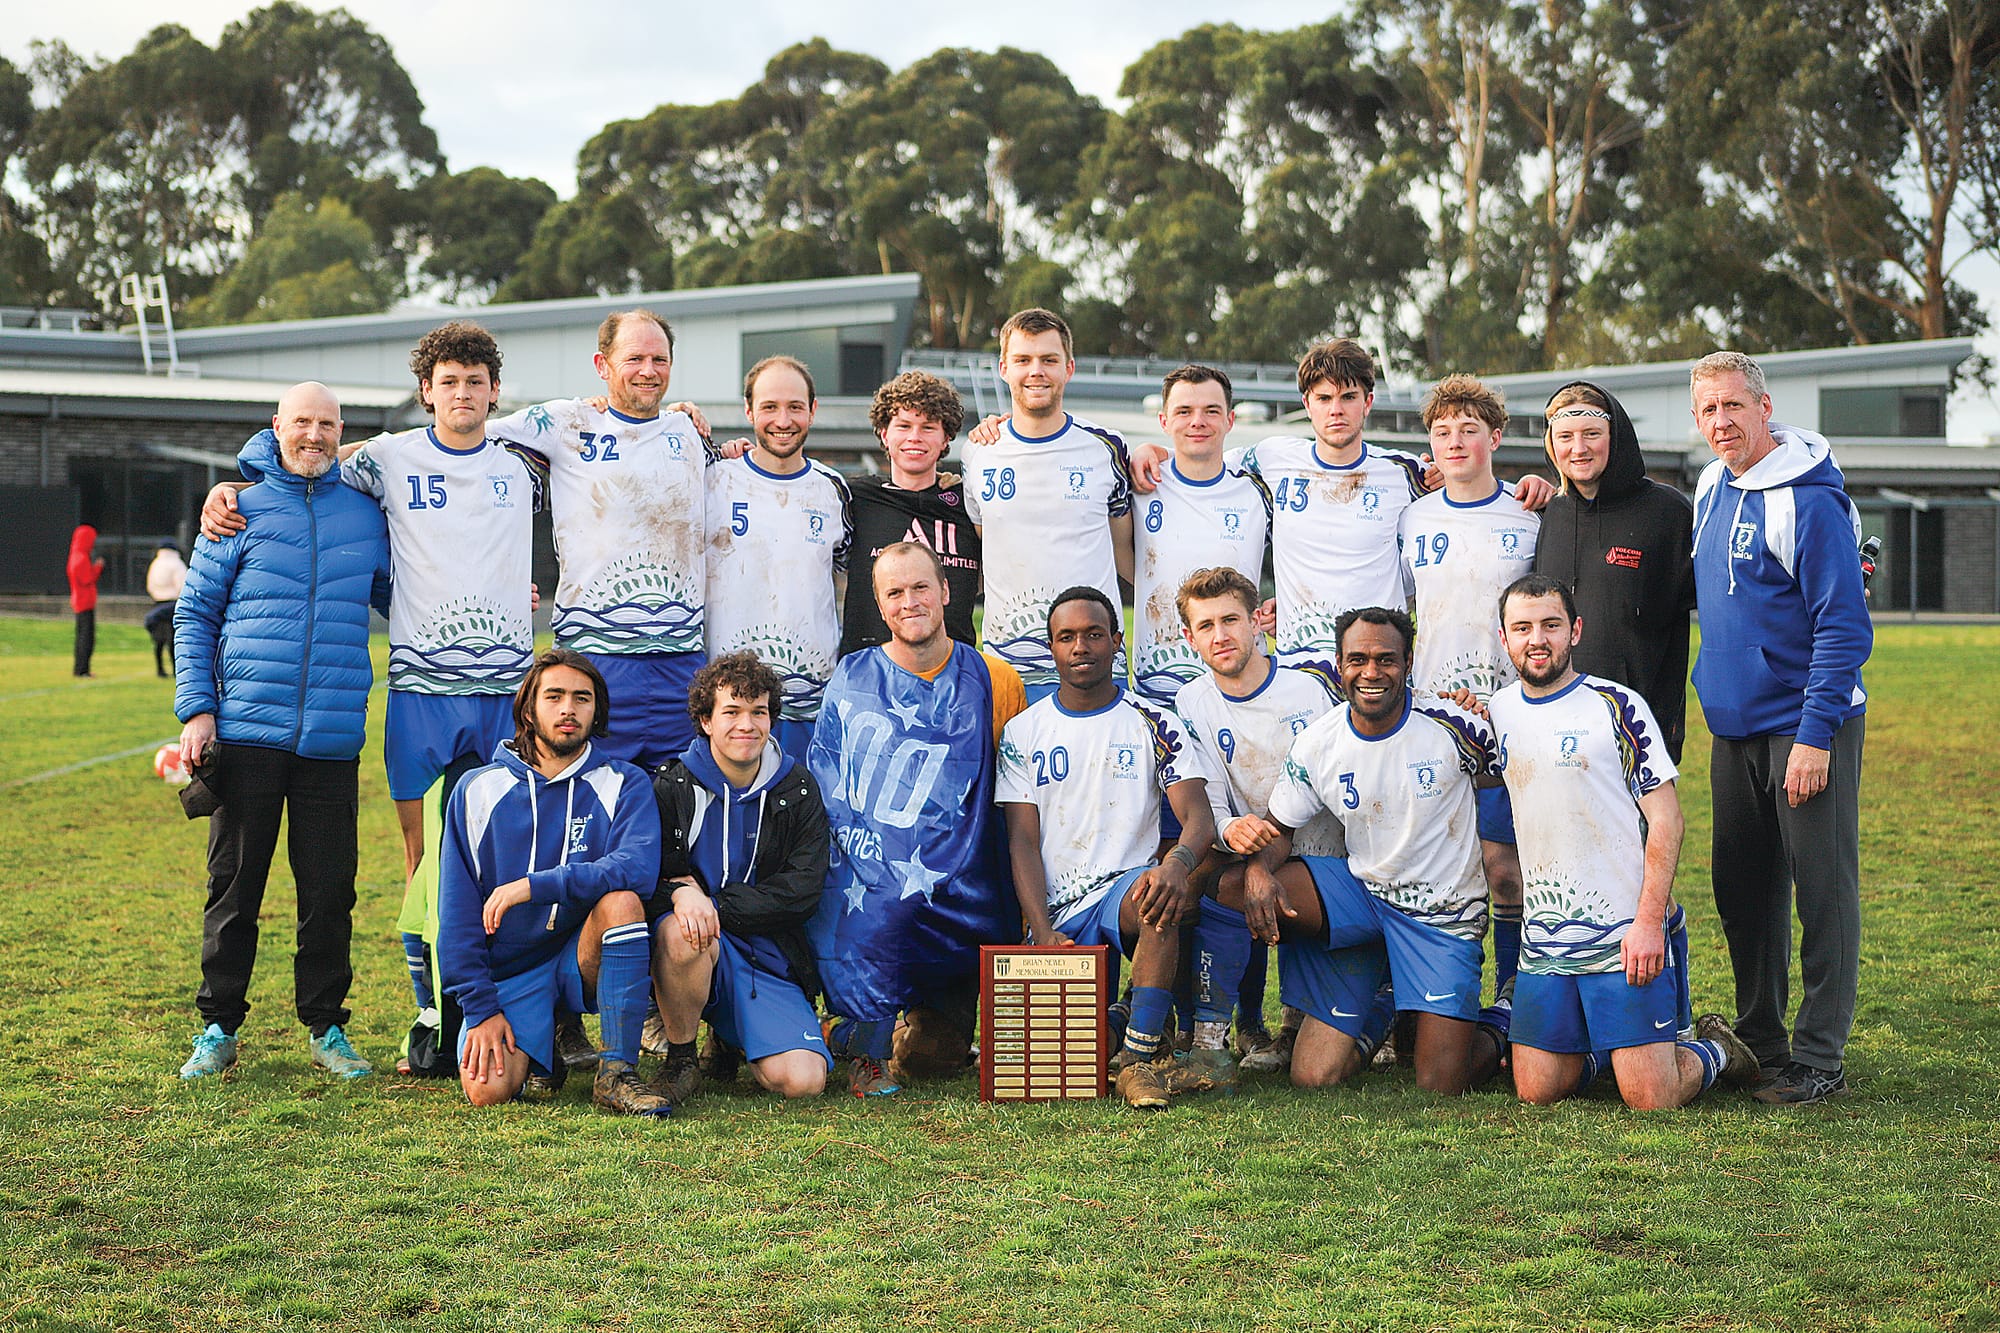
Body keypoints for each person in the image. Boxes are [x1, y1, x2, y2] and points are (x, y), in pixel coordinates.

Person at [201, 322, 545, 1052]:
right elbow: (313, 463)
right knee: (413, 867)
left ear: (492, 390)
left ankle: (504, 1010)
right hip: (393, 702)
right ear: (425, 390)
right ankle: (426, 1012)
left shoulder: (521, 459)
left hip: (470, 699)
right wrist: (234, 481)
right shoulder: (383, 460)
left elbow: (398, 578)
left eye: (474, 381)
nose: (461, 392)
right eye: (447, 380)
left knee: (498, 858)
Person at [171, 382, 390, 1080]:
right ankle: (218, 1026)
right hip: (246, 734)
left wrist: (509, 594)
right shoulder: (237, 511)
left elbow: (413, 591)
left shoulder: (366, 514)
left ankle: (327, 1027)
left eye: (327, 424)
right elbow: (194, 615)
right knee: (235, 888)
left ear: (340, 430)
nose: (315, 436)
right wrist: (198, 709)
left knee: (330, 892)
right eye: (302, 422)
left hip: (331, 740)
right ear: (277, 426)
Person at [1199, 607, 1509, 1095]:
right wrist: (1259, 871)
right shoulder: (1321, 741)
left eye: (1386, 660)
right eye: (1357, 659)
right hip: (1364, 895)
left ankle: (1503, 1020)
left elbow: (1514, 784)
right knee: (1313, 1076)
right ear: (1339, 664)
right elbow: (1279, 828)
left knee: (1439, 1083)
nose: (1371, 672)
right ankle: (1376, 1003)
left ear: (1408, 663)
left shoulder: (1456, 727)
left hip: (1439, 915)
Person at [1487, 574, 1758, 1108]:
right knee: (1537, 1092)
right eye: (1522, 628)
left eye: (1550, 625)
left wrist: (1649, 922)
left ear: (1576, 631)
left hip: (1623, 936)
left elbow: (1667, 820)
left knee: (1650, 1097)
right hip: (1545, 942)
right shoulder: (1497, 712)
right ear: (1504, 638)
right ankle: (1609, 1046)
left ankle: (1715, 1051)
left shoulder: (1616, 706)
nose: (1536, 639)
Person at [1689, 350, 1871, 1105]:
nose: (1721, 422)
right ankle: (1760, 1039)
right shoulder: (1708, 486)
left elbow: (1844, 626)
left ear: (1765, 408)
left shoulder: (1810, 499)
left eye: (1734, 406)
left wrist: (1813, 733)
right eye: (1708, 410)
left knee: (1821, 888)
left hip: (1803, 724)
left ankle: (1819, 1055)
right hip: (1733, 726)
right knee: (1743, 886)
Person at [810, 542, 1026, 1095]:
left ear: (947, 593)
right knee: (877, 910)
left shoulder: (995, 679)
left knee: (934, 1058)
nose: (910, 602)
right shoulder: (852, 677)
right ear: (880, 607)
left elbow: (1015, 797)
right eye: (895, 592)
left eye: (921, 587)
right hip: (874, 896)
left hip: (962, 900)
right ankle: (856, 1036)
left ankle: (899, 1026)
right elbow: (828, 784)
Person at [995, 586, 1216, 1109]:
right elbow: (1022, 843)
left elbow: (1199, 819)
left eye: (1094, 634)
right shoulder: (1023, 732)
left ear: (1117, 641)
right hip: (1056, 911)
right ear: (1050, 649)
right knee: (1051, 1071)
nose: (1081, 647)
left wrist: (1176, 866)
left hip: (1124, 892)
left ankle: (1138, 1062)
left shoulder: (1153, 720)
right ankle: (1125, 1019)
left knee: (1159, 900)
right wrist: (1041, 931)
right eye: (1066, 637)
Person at [434, 650, 669, 1114]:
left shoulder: (624, 782)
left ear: (597, 711)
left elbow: (637, 869)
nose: (568, 710)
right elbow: (456, 914)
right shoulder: (477, 790)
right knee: (488, 1092)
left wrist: (535, 885)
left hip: (579, 958)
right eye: (554, 696)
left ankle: (616, 1073)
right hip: (511, 973)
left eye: (582, 699)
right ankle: (548, 1045)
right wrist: (480, 1010)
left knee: (622, 902)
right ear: (528, 708)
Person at [485, 310, 715, 769]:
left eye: (659, 359)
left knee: (681, 808)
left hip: (680, 660)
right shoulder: (566, 422)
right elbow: (459, 439)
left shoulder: (687, 432)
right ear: (602, 364)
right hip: (597, 659)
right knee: (590, 803)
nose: (648, 371)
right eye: (634, 358)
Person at [1400, 374, 1539, 1007]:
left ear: (1496, 437)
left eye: (1469, 430)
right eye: (1443, 431)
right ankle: (1438, 1002)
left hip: (1510, 714)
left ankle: (1510, 994)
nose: (1455, 442)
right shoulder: (1413, 517)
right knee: (1439, 870)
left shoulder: (1530, 514)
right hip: (1432, 718)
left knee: (1506, 868)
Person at [1171, 566, 1340, 1077]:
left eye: (1231, 620)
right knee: (1204, 882)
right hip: (1246, 845)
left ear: (1257, 623)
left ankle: (1293, 1022)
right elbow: (1207, 793)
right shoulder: (1190, 700)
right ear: (1188, 637)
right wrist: (1227, 829)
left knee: (1245, 887)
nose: (1220, 636)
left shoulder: (1309, 691)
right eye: (1206, 626)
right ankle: (1205, 1032)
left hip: (1321, 852)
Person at [648, 652, 834, 1106]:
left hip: (766, 953)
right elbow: (644, 878)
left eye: (759, 712)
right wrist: (679, 895)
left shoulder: (799, 788)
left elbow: (803, 890)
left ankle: (732, 1036)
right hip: (696, 942)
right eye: (731, 711)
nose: (746, 725)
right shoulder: (671, 787)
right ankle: (681, 1056)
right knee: (683, 930)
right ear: (706, 721)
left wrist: (715, 904)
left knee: (804, 1081)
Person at [961, 308, 1134, 702]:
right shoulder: (978, 451)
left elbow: (1126, 553)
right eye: (1023, 360)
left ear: (1068, 368)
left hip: (1094, 669)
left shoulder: (1107, 447)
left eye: (1049, 360)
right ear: (1004, 368)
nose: (1036, 371)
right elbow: (986, 549)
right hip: (1009, 669)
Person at [1235, 340, 1426, 680]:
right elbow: (1200, 465)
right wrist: (1153, 453)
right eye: (1324, 398)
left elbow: (1470, 494)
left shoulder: (1406, 472)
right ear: (1307, 404)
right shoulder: (1271, 458)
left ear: (1367, 402)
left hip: (1378, 666)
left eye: (1348, 397)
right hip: (1300, 667)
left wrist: (1539, 486)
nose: (1335, 409)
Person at [1530, 380, 1696, 763]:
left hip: (1638, 730)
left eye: (1592, 434)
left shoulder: (1667, 513)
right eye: (1566, 436)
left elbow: (1724, 599)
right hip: (1555, 727)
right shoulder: (1549, 514)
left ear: (1616, 435)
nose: (1579, 448)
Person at [702, 356, 852, 765]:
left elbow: (848, 570)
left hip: (810, 700)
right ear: (748, 411)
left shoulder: (833, 490)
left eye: (794, 407)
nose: (782, 420)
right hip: (731, 703)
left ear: (813, 410)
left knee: (801, 822)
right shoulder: (714, 479)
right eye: (769, 407)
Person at [1129, 365, 1271, 706]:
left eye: (1211, 411)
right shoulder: (1137, 482)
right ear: (1163, 421)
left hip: (1240, 688)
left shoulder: (1258, 492)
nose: (1198, 422)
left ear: (1230, 420)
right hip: (1159, 687)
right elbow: (1123, 560)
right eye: (1184, 411)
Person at [839, 371, 981, 656]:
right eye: (903, 426)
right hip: (869, 672)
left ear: (946, 438)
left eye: (928, 427)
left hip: (954, 674)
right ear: (884, 434)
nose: (914, 437)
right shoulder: (854, 497)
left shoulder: (969, 502)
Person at [145, 540, 186, 678]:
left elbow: (150, 585)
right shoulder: (177, 564)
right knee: (173, 639)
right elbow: (182, 585)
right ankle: (176, 669)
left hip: (157, 604)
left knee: (159, 640)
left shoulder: (155, 564)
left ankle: (160, 669)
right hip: (173, 604)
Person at [66, 524, 102, 678]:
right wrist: (98, 568)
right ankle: (82, 669)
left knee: (82, 635)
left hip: (80, 600)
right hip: (84, 601)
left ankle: (80, 668)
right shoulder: (81, 558)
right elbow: (87, 578)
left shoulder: (76, 555)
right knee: (86, 637)